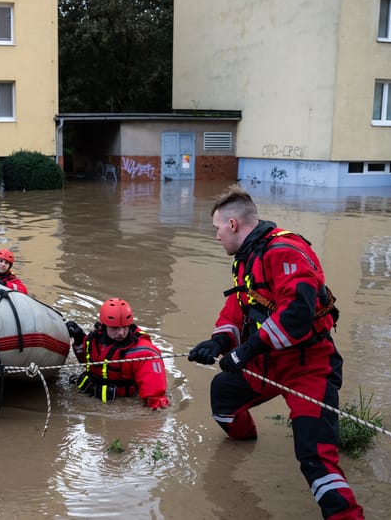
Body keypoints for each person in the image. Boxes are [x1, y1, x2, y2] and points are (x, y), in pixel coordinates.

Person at [187, 184, 363, 519]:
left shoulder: (284, 251)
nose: (216, 237)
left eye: (216, 229)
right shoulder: (246, 259)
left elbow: (296, 313)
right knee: (223, 396)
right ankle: (244, 439)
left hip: (308, 367)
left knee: (314, 457)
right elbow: (238, 306)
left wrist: (245, 351)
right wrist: (220, 342)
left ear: (234, 225)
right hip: (267, 363)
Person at [65, 298, 170, 410]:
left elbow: (157, 401)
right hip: (88, 397)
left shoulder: (144, 353)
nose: (121, 333)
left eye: (125, 327)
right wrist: (79, 339)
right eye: (115, 328)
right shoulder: (94, 339)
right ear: (103, 326)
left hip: (120, 405)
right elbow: (89, 364)